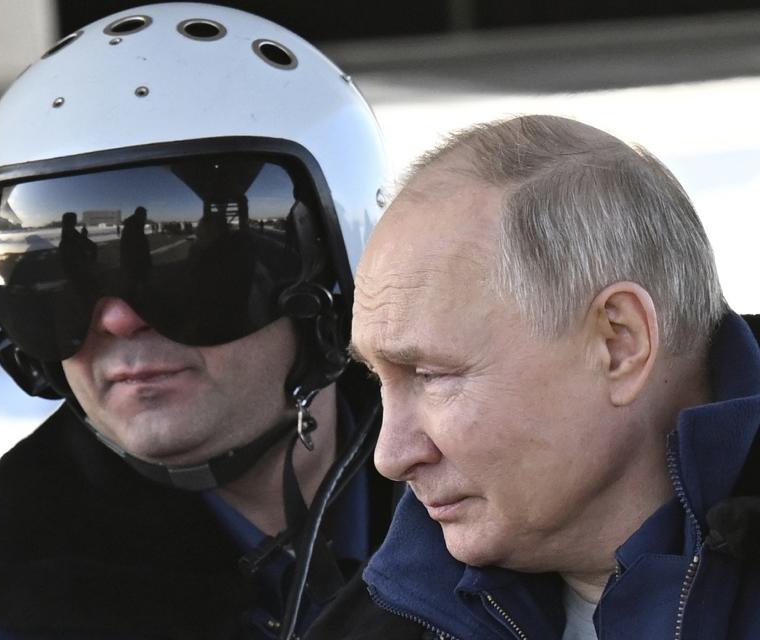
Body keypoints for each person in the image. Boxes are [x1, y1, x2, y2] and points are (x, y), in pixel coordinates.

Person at [0, 4, 396, 639]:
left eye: (191, 267)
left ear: (332, 282)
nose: (116, 319)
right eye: (56, 277)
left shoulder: (514, 536)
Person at [306, 114, 760, 639]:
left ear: (618, 343)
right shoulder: (377, 620)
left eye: (432, 375)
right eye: (380, 380)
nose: (390, 456)